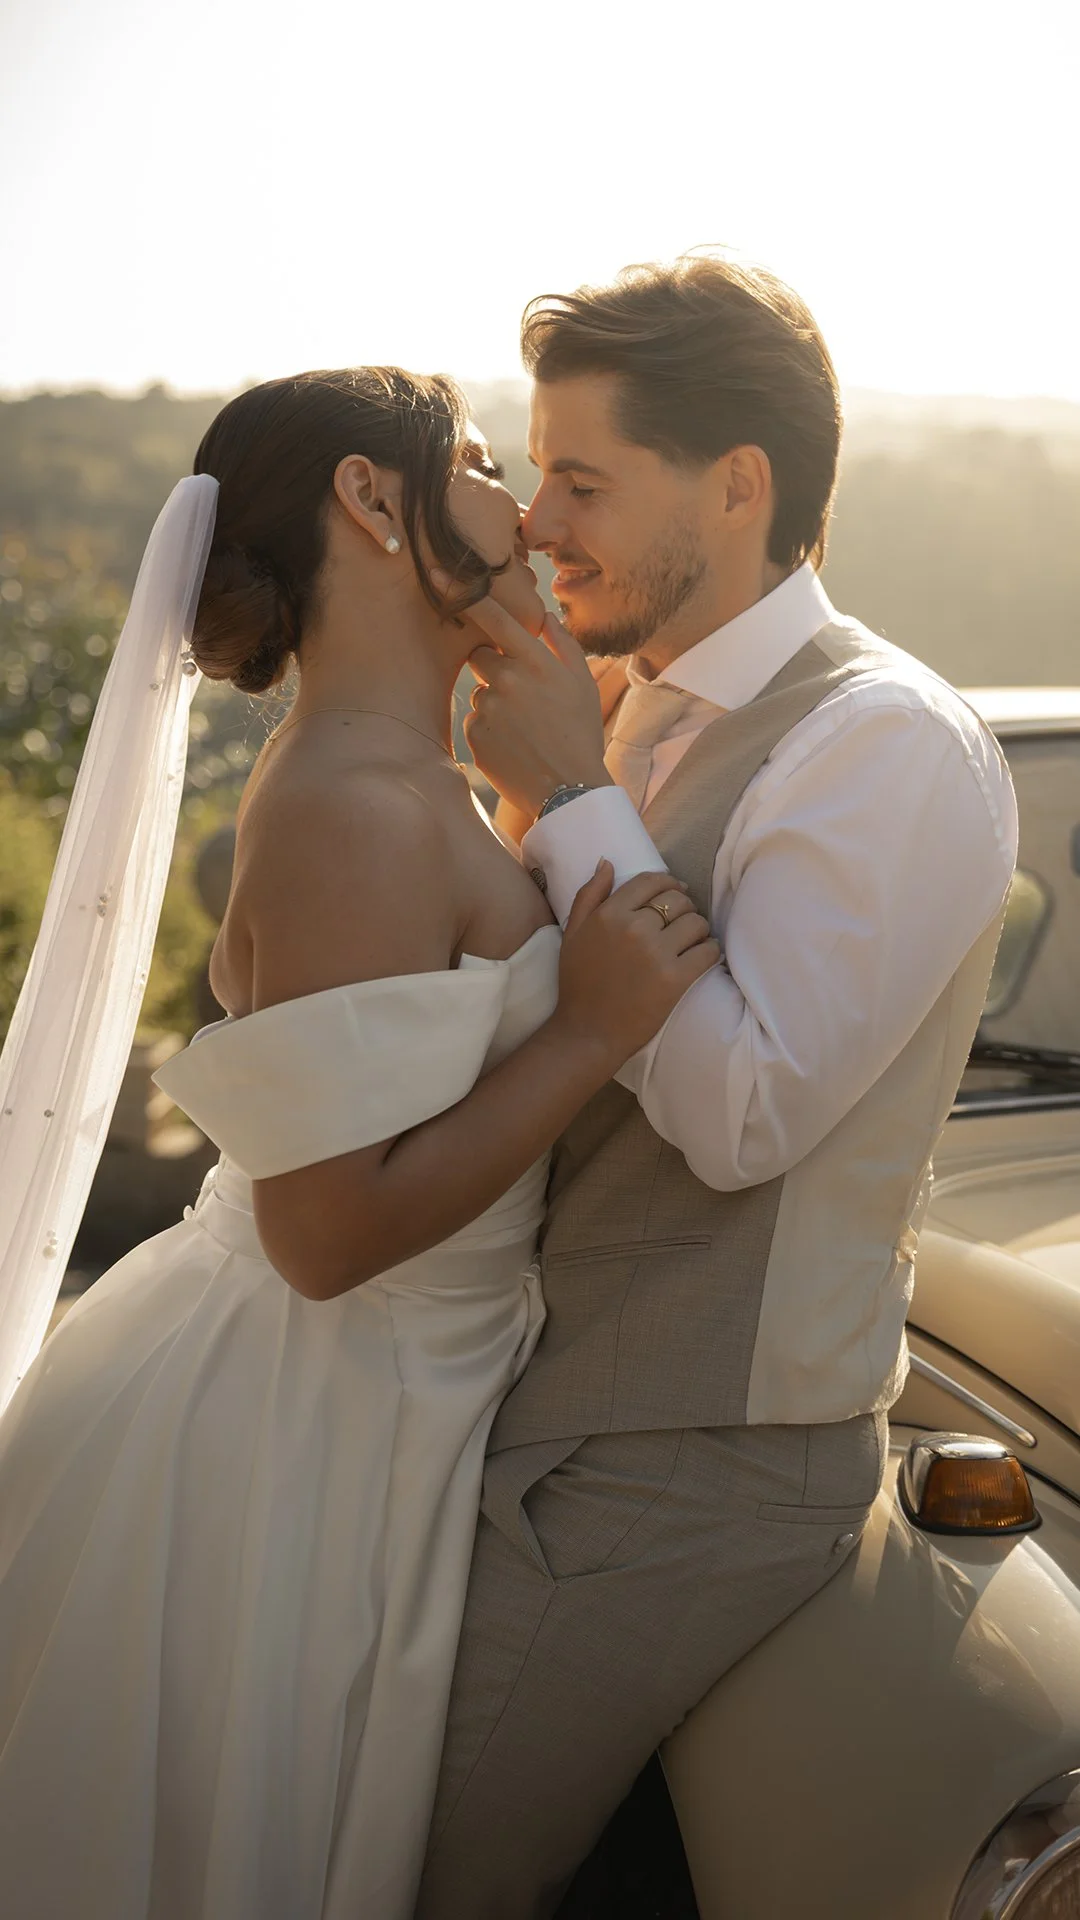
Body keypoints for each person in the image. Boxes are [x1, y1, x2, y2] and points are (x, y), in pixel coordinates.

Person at [0, 366, 719, 1920]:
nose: (522, 510)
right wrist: (597, 1030)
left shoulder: (413, 783)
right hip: (295, 1434)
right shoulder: (353, 805)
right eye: (471, 460)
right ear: (369, 498)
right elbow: (323, 1241)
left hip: (383, 1398)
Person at [414, 254, 1020, 1918]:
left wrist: (557, 802)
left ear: (738, 486)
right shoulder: (631, 712)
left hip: (689, 1465)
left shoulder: (884, 743)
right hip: (545, 1422)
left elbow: (748, 1115)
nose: (538, 522)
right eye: (536, 475)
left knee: (415, 1880)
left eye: (584, 479)